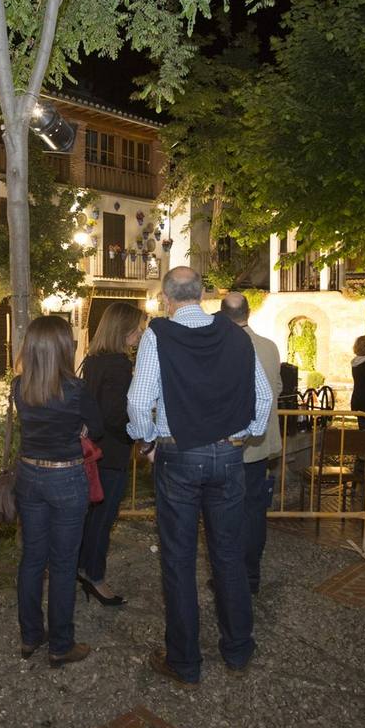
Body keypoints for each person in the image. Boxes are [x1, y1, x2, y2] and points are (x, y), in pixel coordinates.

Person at [127, 267, 272, 686]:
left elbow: (138, 402)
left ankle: (185, 661)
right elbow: (263, 398)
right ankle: (238, 648)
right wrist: (243, 434)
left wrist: (149, 440)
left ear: (166, 298)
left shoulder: (159, 335)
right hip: (227, 457)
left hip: (179, 456)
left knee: (178, 558)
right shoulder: (235, 334)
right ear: (204, 293)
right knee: (228, 554)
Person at [12, 315, 106, 668]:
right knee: (64, 564)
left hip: (29, 476)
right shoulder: (76, 389)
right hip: (66, 478)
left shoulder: (19, 387)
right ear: (64, 348)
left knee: (33, 558)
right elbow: (95, 429)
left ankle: (30, 635)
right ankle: (61, 645)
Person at [77, 302, 145, 606]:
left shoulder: (93, 361)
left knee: (89, 517)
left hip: (90, 451)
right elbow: (114, 415)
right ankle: (95, 576)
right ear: (124, 330)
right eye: (138, 326)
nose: (141, 331)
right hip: (111, 453)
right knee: (103, 520)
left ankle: (80, 568)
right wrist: (137, 435)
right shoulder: (118, 364)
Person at [220, 291, 283, 596]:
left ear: (221, 315)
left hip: (231, 446)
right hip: (260, 444)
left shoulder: (222, 346)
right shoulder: (270, 347)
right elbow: (278, 388)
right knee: (255, 512)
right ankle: (251, 575)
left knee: (227, 516)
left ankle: (233, 577)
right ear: (248, 313)